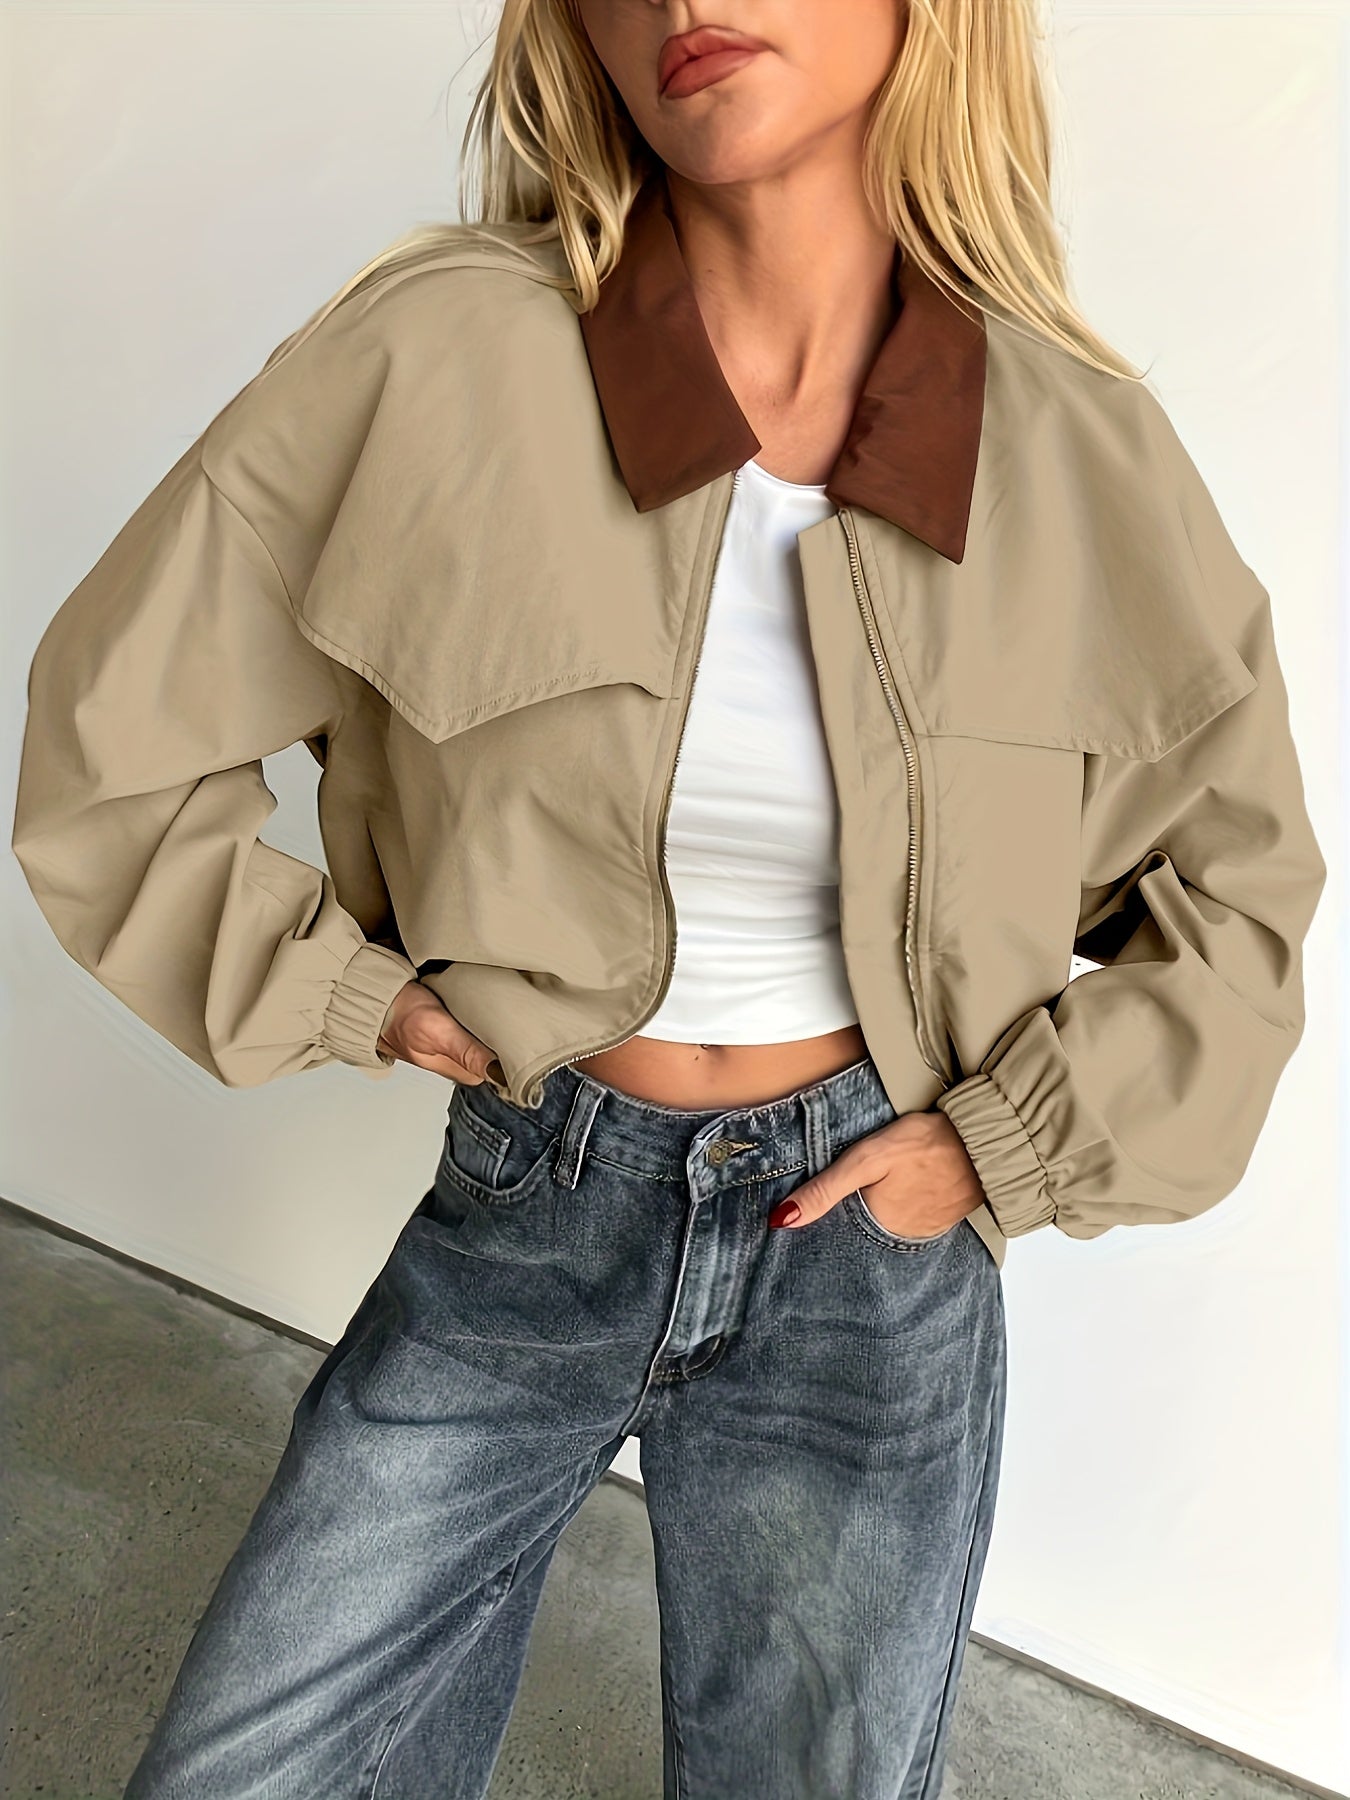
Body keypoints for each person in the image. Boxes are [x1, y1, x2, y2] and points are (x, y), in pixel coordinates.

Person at [11, 1, 1326, 1796]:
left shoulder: (1075, 449)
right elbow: (115, 741)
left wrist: (1006, 1146)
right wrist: (344, 994)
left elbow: (1237, 888)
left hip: (872, 1249)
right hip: (536, 1195)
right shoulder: (437, 356)